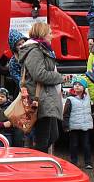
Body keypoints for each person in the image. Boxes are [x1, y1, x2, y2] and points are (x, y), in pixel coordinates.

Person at [18, 22, 64, 154]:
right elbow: (39, 74)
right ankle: (38, 165)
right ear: (42, 34)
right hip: (40, 100)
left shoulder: (42, 48)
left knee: (53, 135)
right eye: (49, 33)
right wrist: (58, 77)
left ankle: (37, 160)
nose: (52, 36)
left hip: (47, 98)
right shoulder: (35, 50)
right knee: (43, 139)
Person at [63, 76, 94, 169]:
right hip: (74, 126)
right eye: (75, 85)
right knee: (74, 144)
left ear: (84, 87)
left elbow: (92, 108)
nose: (77, 86)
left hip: (85, 126)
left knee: (86, 145)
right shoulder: (70, 99)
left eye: (80, 85)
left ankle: (88, 162)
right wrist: (65, 125)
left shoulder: (88, 98)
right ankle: (74, 161)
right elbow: (66, 113)